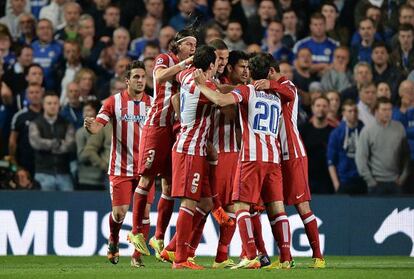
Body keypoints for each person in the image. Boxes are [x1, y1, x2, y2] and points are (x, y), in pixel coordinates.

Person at [194, 52, 295, 269]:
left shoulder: (247, 90)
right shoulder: (277, 96)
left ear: (250, 72)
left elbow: (221, 100)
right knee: (277, 209)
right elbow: (290, 93)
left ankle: (250, 255)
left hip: (251, 157)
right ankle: (286, 258)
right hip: (273, 158)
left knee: (241, 206)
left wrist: (202, 85)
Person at [129, 29, 195, 259]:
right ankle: (137, 232)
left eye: (195, 45)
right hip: (156, 126)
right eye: (189, 44)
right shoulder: (164, 59)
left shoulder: (190, 67)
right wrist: (185, 63)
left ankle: (158, 238)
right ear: (178, 45)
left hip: (175, 130)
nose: (192, 48)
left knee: (168, 186)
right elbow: (158, 77)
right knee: (146, 179)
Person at [84, 60, 154, 267]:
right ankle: (113, 241)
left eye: (143, 77)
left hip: (145, 170)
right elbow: (98, 127)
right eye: (136, 77)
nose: (141, 81)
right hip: (120, 167)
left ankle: (137, 256)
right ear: (127, 81)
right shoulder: (113, 102)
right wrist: (90, 126)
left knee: (145, 213)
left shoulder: (153, 103)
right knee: (120, 213)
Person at [266, 57, 326, 268]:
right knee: (274, 206)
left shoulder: (287, 85)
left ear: (271, 71)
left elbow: (291, 93)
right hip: (274, 156)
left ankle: (318, 256)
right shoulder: (267, 91)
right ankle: (285, 257)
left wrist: (270, 84)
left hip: (293, 155)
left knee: (302, 206)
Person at [356, 97, 410, 195]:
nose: (387, 113)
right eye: (384, 110)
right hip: (376, 183)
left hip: (396, 182)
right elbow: (361, 158)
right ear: (376, 111)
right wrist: (370, 181)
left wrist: (403, 177)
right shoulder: (367, 131)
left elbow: (406, 156)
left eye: (389, 109)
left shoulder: (399, 128)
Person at [29, 92, 75, 191]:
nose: (52, 106)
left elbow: (70, 145)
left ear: (59, 105)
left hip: (64, 173)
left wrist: (48, 146)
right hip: (43, 173)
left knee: (69, 204)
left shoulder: (67, 124)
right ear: (43, 105)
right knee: (43, 205)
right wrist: (57, 143)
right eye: (49, 103)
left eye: (55, 103)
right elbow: (36, 143)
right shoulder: (36, 123)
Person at [327, 100, 366, 194]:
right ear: (343, 113)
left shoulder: (364, 131)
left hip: (362, 179)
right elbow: (331, 161)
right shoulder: (336, 133)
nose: (353, 114)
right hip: (343, 180)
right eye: (349, 111)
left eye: (355, 111)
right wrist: (336, 183)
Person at [300, 96, 335, 194]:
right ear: (312, 108)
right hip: (306, 178)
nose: (321, 108)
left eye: (324, 106)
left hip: (327, 180)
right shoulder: (304, 130)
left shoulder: (333, 132)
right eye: (318, 105)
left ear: (328, 108)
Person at [9, 84, 44, 176]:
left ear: (42, 94)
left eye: (37, 92)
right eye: (31, 93)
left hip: (46, 165)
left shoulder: (49, 114)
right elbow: (12, 142)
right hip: (25, 163)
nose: (34, 95)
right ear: (26, 95)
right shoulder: (20, 116)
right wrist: (15, 165)